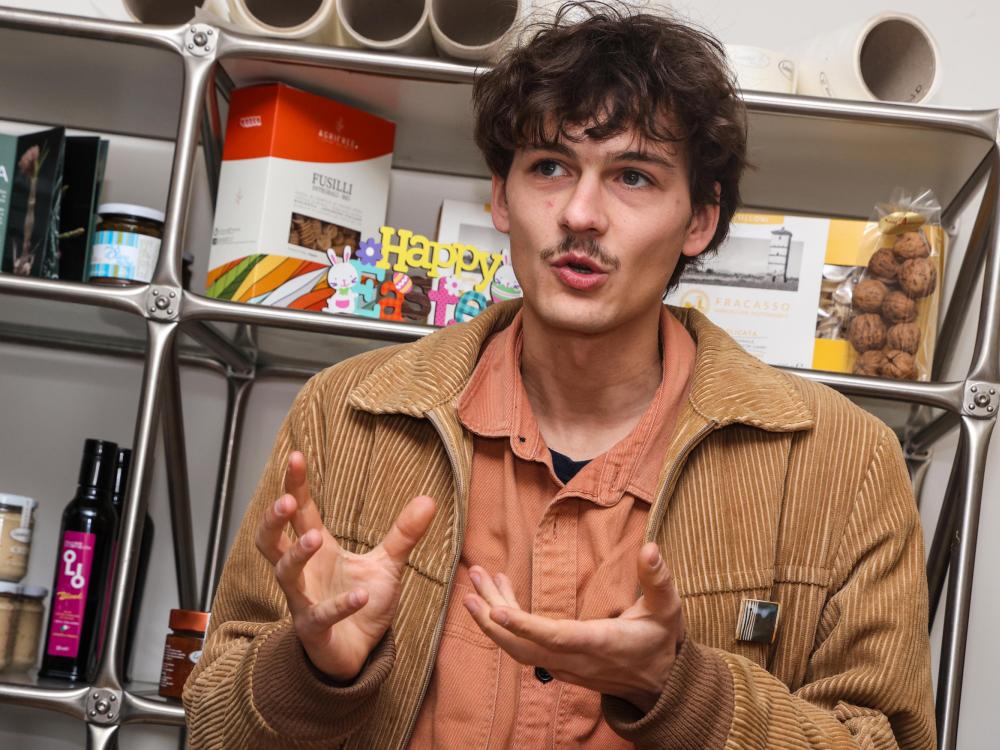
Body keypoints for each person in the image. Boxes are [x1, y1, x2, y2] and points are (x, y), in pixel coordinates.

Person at [183, 3, 934, 748]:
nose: (580, 213)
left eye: (633, 176)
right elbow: (213, 728)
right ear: (500, 195)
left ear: (700, 220)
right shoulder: (344, 415)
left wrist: (680, 690)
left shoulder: (845, 465)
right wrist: (313, 672)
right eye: (549, 167)